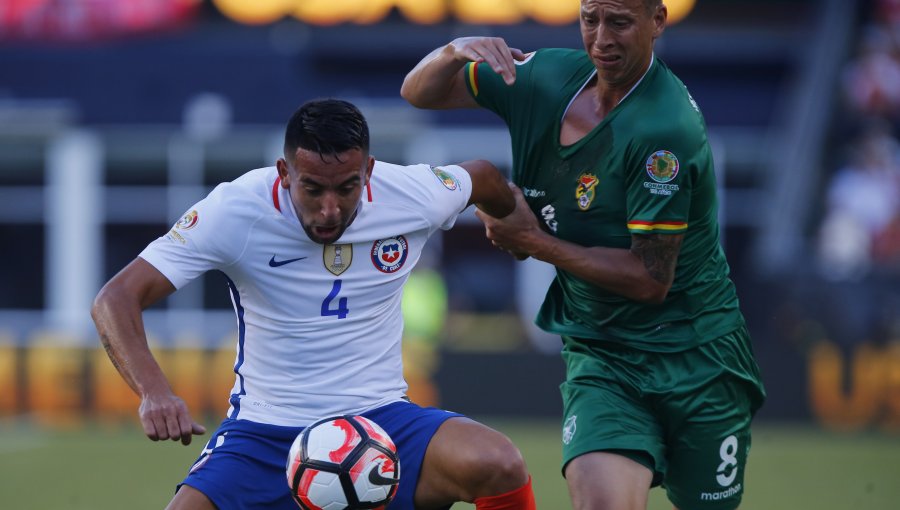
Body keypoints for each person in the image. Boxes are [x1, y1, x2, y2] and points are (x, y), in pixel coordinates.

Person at [401, 1, 766, 509]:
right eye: (590, 19)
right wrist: (452, 51)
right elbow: (419, 92)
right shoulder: (544, 79)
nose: (601, 39)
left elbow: (648, 280)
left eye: (619, 22)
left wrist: (533, 242)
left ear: (657, 21)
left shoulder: (665, 131)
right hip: (604, 355)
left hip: (699, 356)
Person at [91, 99, 537, 510]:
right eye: (312, 189)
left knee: (498, 463)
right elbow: (116, 297)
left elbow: (480, 176)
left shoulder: (411, 194)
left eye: (347, 188)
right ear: (285, 172)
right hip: (263, 434)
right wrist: (153, 391)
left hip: (381, 421)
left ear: (369, 170)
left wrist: (514, 225)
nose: (329, 210)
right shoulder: (235, 211)